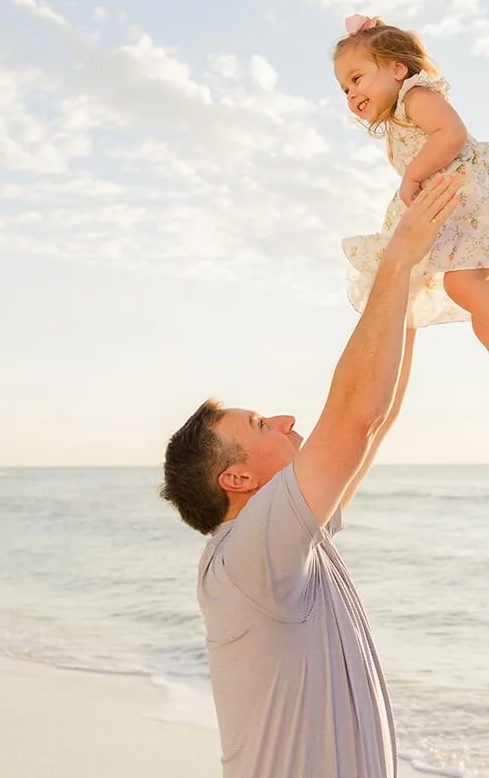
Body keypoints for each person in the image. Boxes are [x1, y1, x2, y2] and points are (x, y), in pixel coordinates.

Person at [160, 171, 464, 778]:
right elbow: (353, 415)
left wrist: (407, 292)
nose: (284, 417)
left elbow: (372, 424)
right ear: (238, 480)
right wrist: (396, 256)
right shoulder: (249, 555)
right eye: (260, 425)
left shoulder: (288, 544)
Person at [336, 14, 489, 463]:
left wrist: (412, 176)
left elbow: (450, 134)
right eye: (345, 89)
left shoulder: (416, 96)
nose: (352, 93)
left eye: (357, 78)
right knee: (487, 318)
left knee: (461, 284)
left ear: (397, 68)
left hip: (486, 201)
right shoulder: (397, 122)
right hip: (481, 213)